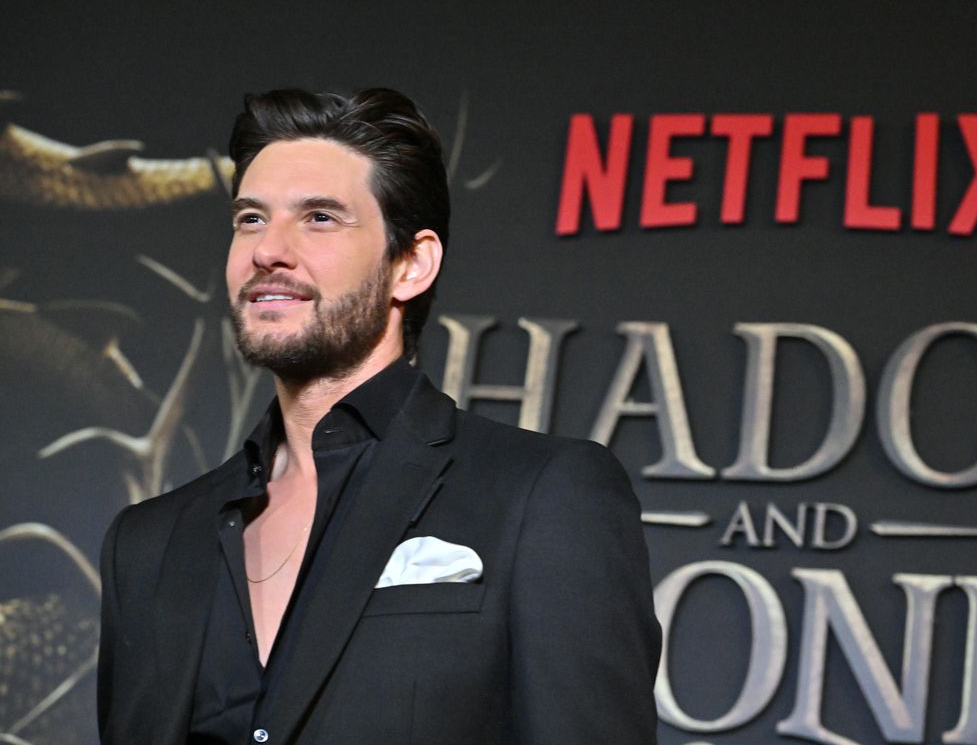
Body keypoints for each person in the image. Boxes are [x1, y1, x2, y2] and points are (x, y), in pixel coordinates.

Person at [96, 88, 661, 745]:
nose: (267, 250)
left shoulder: (545, 495)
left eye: (320, 219)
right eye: (250, 219)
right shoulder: (146, 544)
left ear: (410, 264)